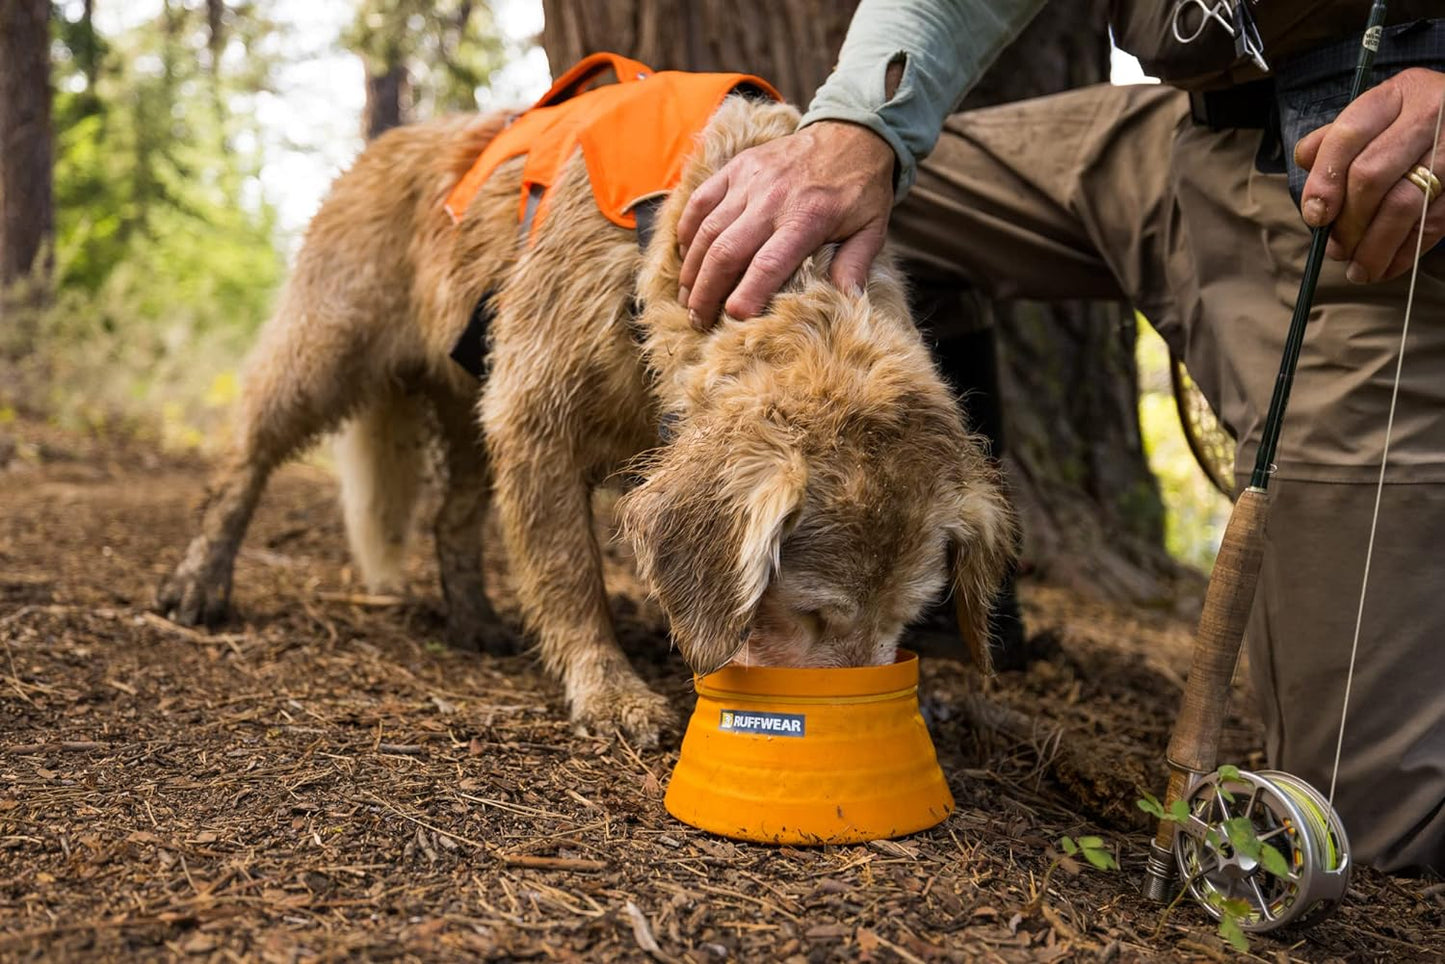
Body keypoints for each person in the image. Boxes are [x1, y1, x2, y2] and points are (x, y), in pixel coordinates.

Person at [676, 0, 1445, 874]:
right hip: (1181, 126)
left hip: (1371, 190)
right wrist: (862, 125)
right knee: (766, 215)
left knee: (1365, 829)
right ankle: (910, 594)